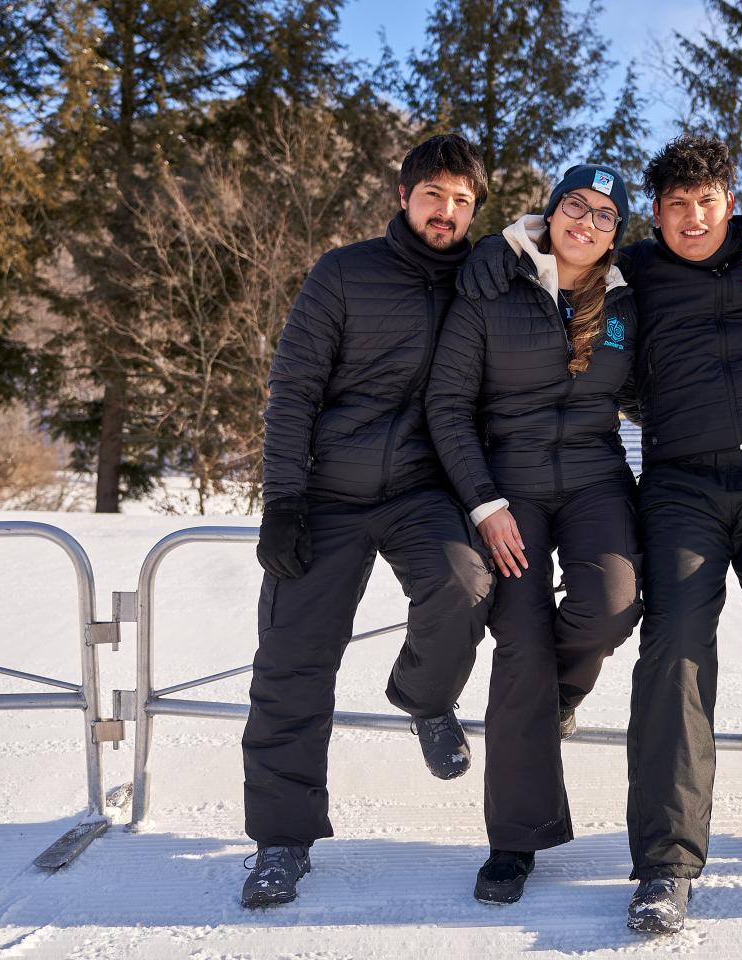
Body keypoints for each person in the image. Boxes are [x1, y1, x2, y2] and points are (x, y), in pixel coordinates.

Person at [462, 135, 742, 935]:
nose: (693, 217)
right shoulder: (634, 269)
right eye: (676, 205)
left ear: (731, 202)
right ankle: (666, 867)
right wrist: (487, 260)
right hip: (679, 486)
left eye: (708, 202)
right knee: (673, 656)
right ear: (659, 214)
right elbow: (553, 258)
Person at [239, 134, 496, 909]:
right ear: (404, 196)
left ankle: (423, 697)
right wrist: (283, 498)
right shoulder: (344, 272)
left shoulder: (485, 283)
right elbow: (293, 389)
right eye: (433, 196)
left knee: (464, 584)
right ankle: (282, 841)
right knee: (292, 663)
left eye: (462, 200)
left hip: (422, 491)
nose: (446, 212)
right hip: (326, 494)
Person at [427, 163, 643, 905]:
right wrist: (485, 503)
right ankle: (514, 841)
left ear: (619, 231)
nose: (587, 223)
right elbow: (448, 403)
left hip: (594, 478)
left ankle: (554, 700)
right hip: (509, 484)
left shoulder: (625, 300)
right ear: (550, 213)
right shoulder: (493, 282)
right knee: (521, 639)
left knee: (613, 603)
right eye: (574, 207)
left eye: (605, 215)